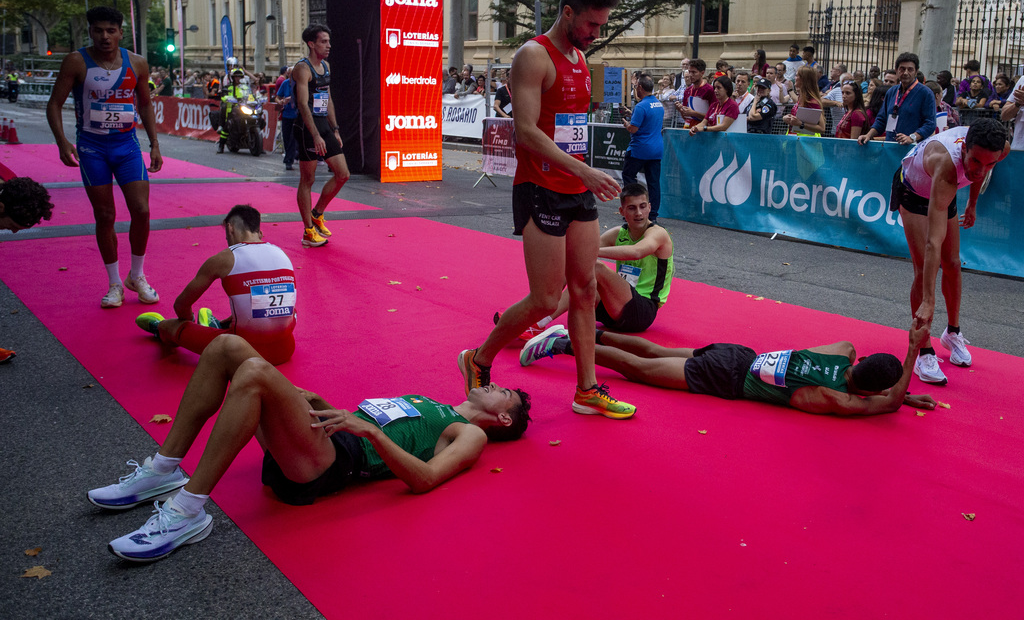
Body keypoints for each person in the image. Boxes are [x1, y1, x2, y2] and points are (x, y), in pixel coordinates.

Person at [89, 333, 530, 562]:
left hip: (333, 463)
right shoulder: (432, 402)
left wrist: (371, 434)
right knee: (226, 347)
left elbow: (427, 478)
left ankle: (187, 511)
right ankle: (164, 469)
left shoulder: (468, 433)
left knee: (257, 371)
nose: (494, 385)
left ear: (503, 418)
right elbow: (359, 420)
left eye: (503, 391)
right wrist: (321, 404)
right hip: (325, 435)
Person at [457, 0, 634, 420]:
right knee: (543, 298)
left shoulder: (578, 55)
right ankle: (478, 358)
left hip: (577, 190)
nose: (597, 34)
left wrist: (584, 172)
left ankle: (588, 389)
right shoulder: (534, 56)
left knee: (586, 288)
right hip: (541, 189)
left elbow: (569, 129)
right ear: (568, 12)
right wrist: (584, 170)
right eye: (593, 24)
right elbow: (526, 132)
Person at [519, 317, 937, 417]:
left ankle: (595, 332)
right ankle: (566, 344)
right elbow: (883, 402)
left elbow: (885, 390)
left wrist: (902, 377)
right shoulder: (833, 398)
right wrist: (902, 387)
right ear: (868, 391)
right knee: (637, 369)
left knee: (651, 350)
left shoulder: (845, 349)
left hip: (739, 354)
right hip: (729, 378)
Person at [46, 6, 163, 309]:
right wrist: (62, 142)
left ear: (121, 32)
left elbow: (146, 105)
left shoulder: (136, 63)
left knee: (142, 210)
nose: (104, 36)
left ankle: (136, 276)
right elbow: (55, 104)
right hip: (92, 148)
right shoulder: (76, 61)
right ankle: (114, 284)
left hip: (126, 146)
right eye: (98, 30)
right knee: (106, 216)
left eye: (111, 30)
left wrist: (154, 143)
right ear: (90, 32)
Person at [890, 118, 1009, 386]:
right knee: (923, 271)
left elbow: (980, 172)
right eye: (976, 161)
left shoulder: (999, 149)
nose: (981, 170)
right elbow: (934, 241)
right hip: (913, 190)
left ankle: (952, 332)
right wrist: (930, 300)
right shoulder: (946, 166)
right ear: (965, 147)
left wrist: (973, 203)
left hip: (947, 191)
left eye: (990, 163)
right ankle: (923, 351)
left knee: (953, 263)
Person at [133, 204, 299, 365]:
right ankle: (219, 325)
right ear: (260, 233)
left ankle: (161, 329)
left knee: (171, 327)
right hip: (284, 350)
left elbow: (181, 305)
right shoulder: (283, 255)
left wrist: (186, 323)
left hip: (241, 355)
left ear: (230, 228)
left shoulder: (224, 258)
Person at [519, 182, 674, 339]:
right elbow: (580, 252)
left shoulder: (658, 234)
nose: (638, 213)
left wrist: (590, 252)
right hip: (612, 309)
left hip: (642, 313)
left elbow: (636, 252)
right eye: (632, 208)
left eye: (642, 207)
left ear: (649, 207)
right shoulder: (618, 233)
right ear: (622, 211)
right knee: (578, 264)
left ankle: (538, 322)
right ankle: (534, 310)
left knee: (594, 267)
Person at [292, 24, 350, 249]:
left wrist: (334, 129)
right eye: (323, 42)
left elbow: (327, 99)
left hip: (323, 124)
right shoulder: (302, 69)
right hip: (307, 128)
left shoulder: (325, 66)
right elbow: (302, 104)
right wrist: (315, 135)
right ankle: (308, 231)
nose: (328, 46)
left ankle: (317, 213)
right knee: (308, 180)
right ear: (311, 44)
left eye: (329, 41)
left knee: (343, 174)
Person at [858, 53, 936, 146]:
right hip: (890, 148)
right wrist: (868, 135)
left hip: (913, 150)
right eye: (902, 69)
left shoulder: (925, 93)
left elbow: (930, 124)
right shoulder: (891, 92)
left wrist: (912, 137)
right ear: (897, 70)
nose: (906, 73)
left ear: (916, 71)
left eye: (910, 69)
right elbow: (881, 119)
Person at [620, 75, 664, 221]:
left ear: (640, 87)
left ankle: (632, 207)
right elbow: (648, 121)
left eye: (635, 87)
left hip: (639, 149)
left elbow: (633, 129)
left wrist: (626, 123)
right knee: (654, 183)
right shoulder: (658, 104)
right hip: (656, 149)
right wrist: (632, 115)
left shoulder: (641, 106)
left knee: (628, 176)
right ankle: (653, 215)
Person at [217, 68, 253, 154]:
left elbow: (250, 95)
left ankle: (258, 144)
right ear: (232, 78)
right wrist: (229, 99)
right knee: (228, 125)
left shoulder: (245, 87)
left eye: (239, 77)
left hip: (244, 108)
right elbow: (223, 96)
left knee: (256, 118)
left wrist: (254, 99)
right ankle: (221, 145)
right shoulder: (228, 87)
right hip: (232, 109)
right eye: (236, 77)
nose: (237, 78)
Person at [783, 67, 826, 136]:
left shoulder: (811, 102)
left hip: (807, 143)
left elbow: (822, 128)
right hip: (795, 140)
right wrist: (788, 118)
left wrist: (800, 124)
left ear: (803, 79)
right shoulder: (801, 98)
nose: (795, 77)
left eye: (797, 75)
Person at [674, 58, 713, 129]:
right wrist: (681, 109)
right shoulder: (687, 91)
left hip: (703, 130)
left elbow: (712, 116)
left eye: (694, 72)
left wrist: (694, 113)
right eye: (689, 72)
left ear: (702, 73)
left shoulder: (710, 90)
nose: (690, 75)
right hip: (688, 128)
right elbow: (686, 117)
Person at [274, 67, 299, 171]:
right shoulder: (285, 84)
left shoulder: (299, 84)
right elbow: (277, 97)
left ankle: (289, 160)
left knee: (293, 139)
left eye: (292, 74)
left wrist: (293, 99)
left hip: (297, 115)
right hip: (286, 115)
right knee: (286, 137)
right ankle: (291, 157)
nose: (290, 76)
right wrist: (280, 102)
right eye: (288, 74)